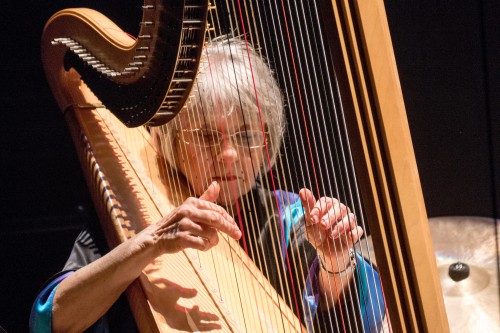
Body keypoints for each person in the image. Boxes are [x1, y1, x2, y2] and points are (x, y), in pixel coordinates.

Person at [30, 36, 385, 332]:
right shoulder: (130, 213)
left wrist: (337, 260)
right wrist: (150, 243)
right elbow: (47, 321)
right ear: (170, 139)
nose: (229, 154)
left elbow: (367, 319)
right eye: (207, 136)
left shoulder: (287, 215)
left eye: (246, 136)